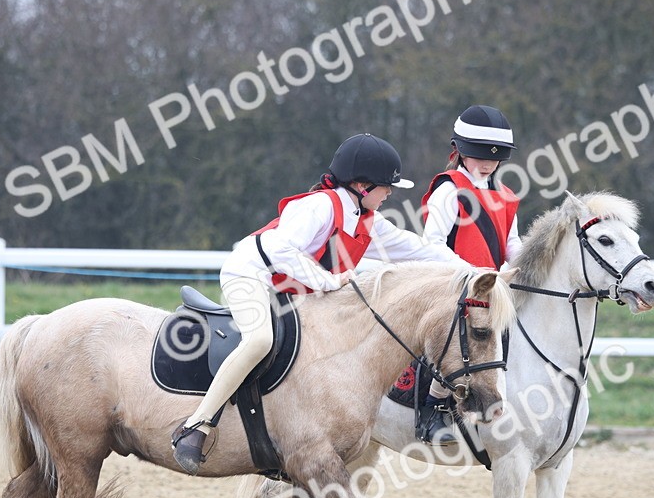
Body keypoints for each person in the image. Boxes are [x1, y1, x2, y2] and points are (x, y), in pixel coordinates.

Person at [172, 133, 465, 475]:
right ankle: (197, 425)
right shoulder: (320, 206)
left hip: (289, 292)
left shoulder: (368, 221)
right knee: (259, 340)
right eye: (387, 186)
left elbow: (421, 250)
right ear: (362, 185)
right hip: (250, 275)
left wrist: (478, 273)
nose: (391, 193)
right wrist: (327, 281)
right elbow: (280, 250)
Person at [416, 105, 522, 444]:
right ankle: (433, 408)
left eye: (494, 156)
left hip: (493, 290)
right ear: (460, 151)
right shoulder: (448, 189)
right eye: (478, 154)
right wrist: (471, 273)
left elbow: (512, 243)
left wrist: (519, 265)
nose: (487, 162)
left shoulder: (506, 195)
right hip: (453, 285)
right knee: (452, 337)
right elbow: (431, 242)